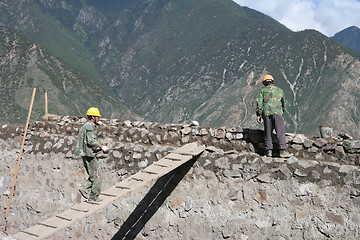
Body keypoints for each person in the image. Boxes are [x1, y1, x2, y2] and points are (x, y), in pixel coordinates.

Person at [74, 107, 109, 202]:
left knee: (93, 175)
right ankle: (93, 197)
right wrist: (101, 146)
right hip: (89, 154)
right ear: (93, 117)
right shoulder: (90, 127)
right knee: (97, 176)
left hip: (85, 153)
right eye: (97, 117)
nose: (99, 118)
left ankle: (84, 189)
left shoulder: (86, 125)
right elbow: (91, 141)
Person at [256, 75, 293, 158]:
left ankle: (269, 151)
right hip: (278, 114)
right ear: (272, 81)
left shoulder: (263, 91)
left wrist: (259, 114)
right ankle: (282, 151)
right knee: (280, 132)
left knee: (268, 132)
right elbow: (284, 103)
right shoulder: (279, 90)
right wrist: (281, 111)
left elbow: (259, 103)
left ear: (264, 83)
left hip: (266, 113)